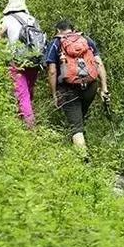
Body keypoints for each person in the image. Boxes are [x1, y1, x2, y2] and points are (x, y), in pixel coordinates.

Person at [45, 20, 109, 153]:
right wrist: (104, 89)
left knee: (76, 125)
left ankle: (84, 160)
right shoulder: (86, 40)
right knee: (79, 117)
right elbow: (99, 64)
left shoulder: (56, 43)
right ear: (73, 30)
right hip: (90, 87)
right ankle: (80, 142)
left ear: (58, 31)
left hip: (68, 90)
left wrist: (54, 94)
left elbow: (52, 71)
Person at [0, 0, 47, 128]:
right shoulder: (32, 19)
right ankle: (23, 124)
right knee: (28, 94)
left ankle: (30, 129)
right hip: (34, 61)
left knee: (22, 95)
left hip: (17, 62)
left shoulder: (6, 19)